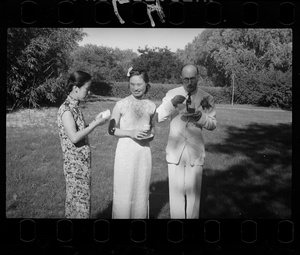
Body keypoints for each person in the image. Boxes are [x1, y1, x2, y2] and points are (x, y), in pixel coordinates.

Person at [156, 64, 217, 219]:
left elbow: (213, 124)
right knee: (175, 192)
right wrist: (172, 104)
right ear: (181, 78)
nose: (189, 82)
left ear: (198, 77)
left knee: (194, 194)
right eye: (186, 79)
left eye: (193, 79)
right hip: (175, 149)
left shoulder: (206, 97)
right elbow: (158, 117)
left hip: (195, 150)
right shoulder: (172, 94)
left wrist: (201, 118)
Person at [57, 71, 108, 218]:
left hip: (81, 163)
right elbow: (74, 137)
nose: (89, 91)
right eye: (87, 88)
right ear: (76, 88)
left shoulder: (75, 107)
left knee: (81, 202)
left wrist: (94, 121)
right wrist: (95, 125)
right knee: (78, 203)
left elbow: (79, 129)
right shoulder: (66, 109)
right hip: (74, 166)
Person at [108, 68, 156, 219]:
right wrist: (131, 133)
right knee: (124, 191)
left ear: (146, 84)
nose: (136, 88)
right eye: (132, 84)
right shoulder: (121, 104)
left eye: (139, 84)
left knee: (141, 191)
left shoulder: (151, 106)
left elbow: (153, 131)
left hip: (143, 153)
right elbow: (111, 129)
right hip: (125, 152)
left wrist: (149, 136)